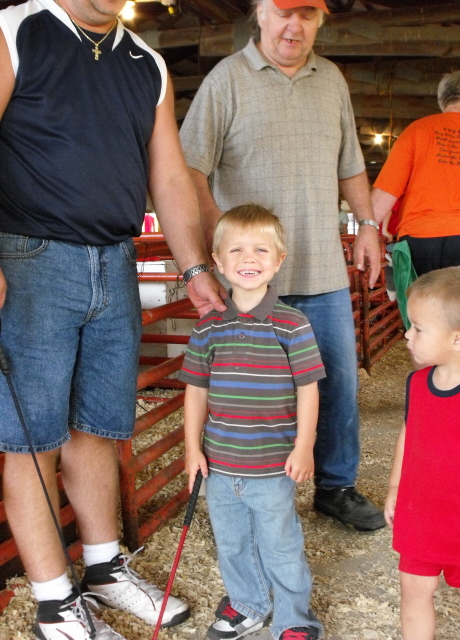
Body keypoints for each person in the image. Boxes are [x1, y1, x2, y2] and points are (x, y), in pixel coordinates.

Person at [0, 0, 227, 637]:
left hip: (115, 258)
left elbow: (169, 175)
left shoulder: (146, 62)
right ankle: (54, 601)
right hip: (30, 255)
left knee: (98, 426)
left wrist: (194, 268)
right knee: (31, 438)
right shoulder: (17, 30)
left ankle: (103, 569)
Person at [179, 0, 385, 532]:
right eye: (285, 12)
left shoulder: (331, 80)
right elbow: (190, 166)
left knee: (336, 381)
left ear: (320, 20)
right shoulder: (226, 80)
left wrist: (367, 224)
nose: (295, 25)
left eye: (308, 14)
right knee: (245, 388)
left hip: (321, 269)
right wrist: (216, 237)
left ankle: (336, 486)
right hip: (249, 280)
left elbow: (351, 164)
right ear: (260, 14)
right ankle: (242, 485)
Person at [180, 204, 325, 640]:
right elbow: (196, 391)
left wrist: (304, 446)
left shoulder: (292, 325)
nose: (249, 259)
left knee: (280, 544)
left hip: (272, 465)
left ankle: (294, 617)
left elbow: (309, 389)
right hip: (220, 465)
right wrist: (192, 449)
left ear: (279, 261)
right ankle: (247, 605)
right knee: (232, 543)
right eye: (237, 250)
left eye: (261, 250)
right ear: (218, 262)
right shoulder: (207, 329)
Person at [384, 266, 460, 640]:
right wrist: (395, 488)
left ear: (458, 340)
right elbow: (409, 433)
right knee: (413, 592)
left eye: (418, 328)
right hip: (421, 515)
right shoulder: (418, 383)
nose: (407, 334)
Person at [372, 71, 460, 277]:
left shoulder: (416, 131)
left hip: (419, 242)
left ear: (442, 101)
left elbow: (382, 199)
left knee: (423, 299)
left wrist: (366, 228)